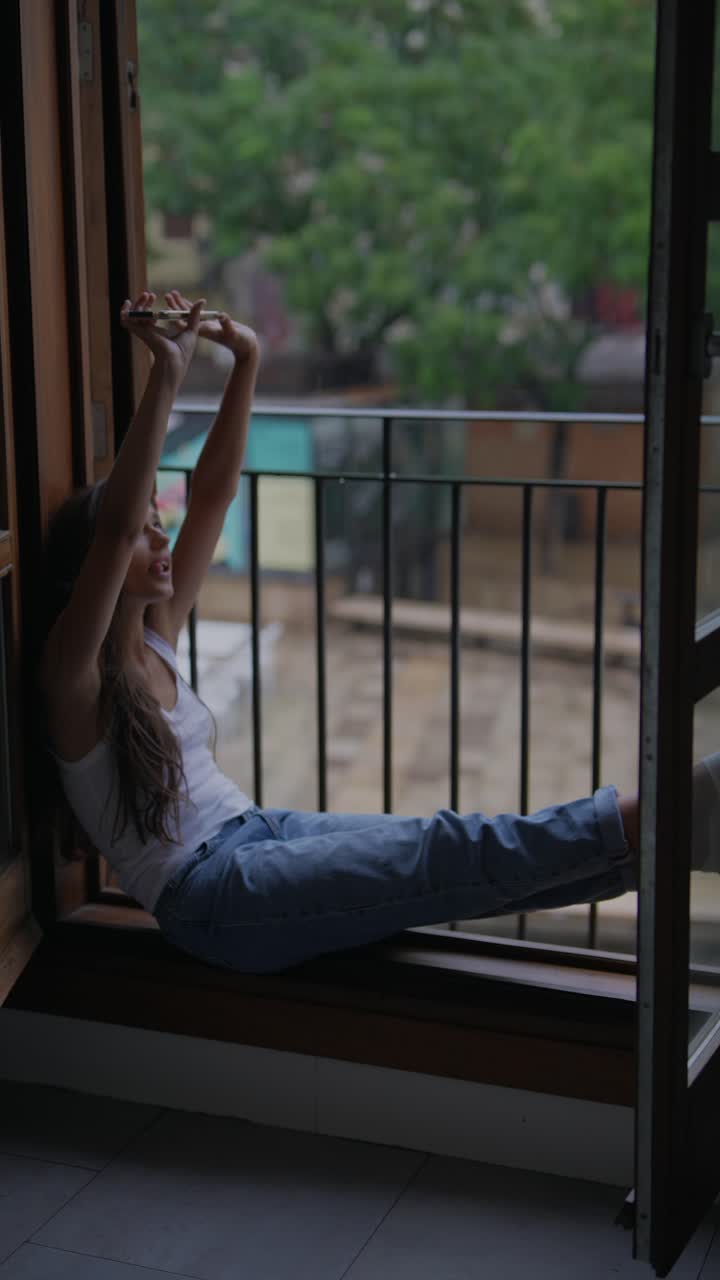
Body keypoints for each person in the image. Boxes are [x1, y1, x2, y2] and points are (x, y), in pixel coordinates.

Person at [34, 290, 720, 976]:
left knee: (447, 846)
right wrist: (168, 373)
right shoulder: (74, 681)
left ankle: (658, 840)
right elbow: (116, 528)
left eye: (159, 521)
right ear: (96, 566)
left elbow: (213, 492)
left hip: (259, 830)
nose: (160, 537)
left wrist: (248, 359)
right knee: (439, 855)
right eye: (144, 528)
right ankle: (659, 818)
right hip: (213, 894)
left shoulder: (155, 637)